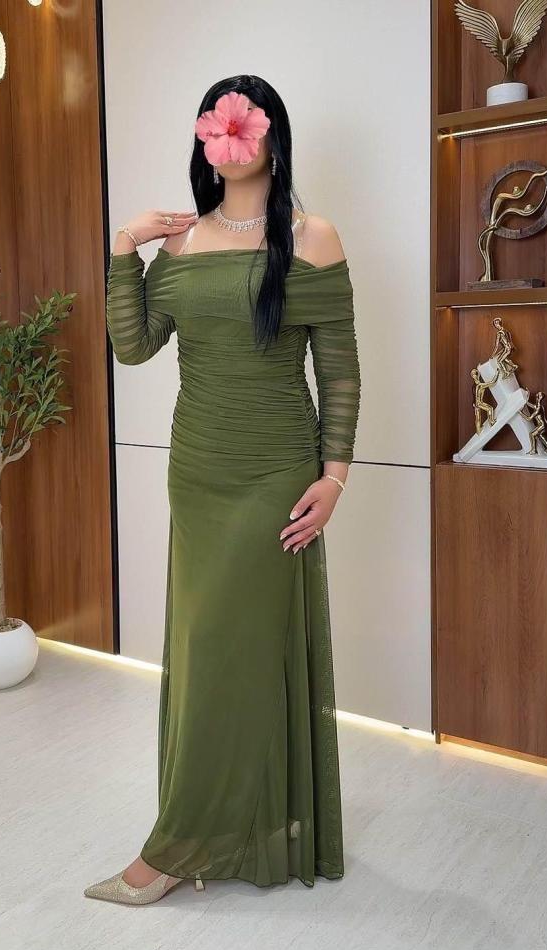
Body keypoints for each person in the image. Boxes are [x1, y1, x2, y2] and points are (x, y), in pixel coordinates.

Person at [85, 74, 361, 905]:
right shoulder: (179, 244)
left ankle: (176, 849)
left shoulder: (312, 238)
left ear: (273, 136)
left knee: (237, 653)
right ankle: (236, 825)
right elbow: (134, 347)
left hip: (275, 473)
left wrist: (335, 477)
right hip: (197, 473)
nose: (232, 140)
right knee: (206, 651)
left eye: (245, 123)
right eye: (219, 126)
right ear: (205, 141)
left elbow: (339, 371)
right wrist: (123, 249)